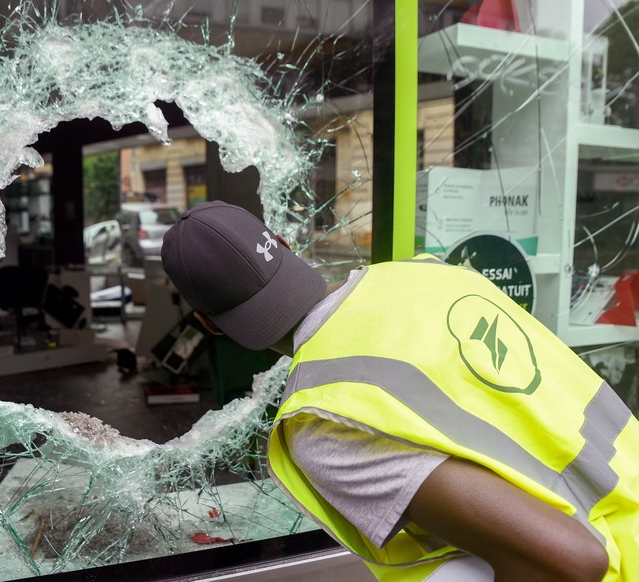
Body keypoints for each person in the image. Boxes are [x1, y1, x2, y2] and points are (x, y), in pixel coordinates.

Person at [161, 200, 639, 581]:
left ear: (207, 323)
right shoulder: (431, 276)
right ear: (284, 245)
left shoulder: (323, 418)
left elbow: (572, 561)